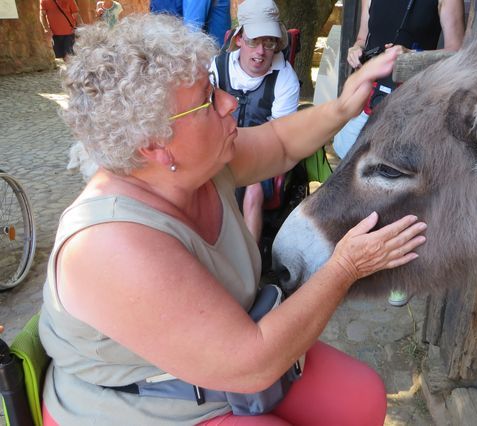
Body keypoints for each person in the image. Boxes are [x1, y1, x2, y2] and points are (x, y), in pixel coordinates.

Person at [39, 14, 427, 425]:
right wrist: (346, 266)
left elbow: (278, 142)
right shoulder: (110, 245)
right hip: (144, 400)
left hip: (228, 362)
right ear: (156, 146)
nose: (229, 102)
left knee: (361, 396)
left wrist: (345, 106)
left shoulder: (197, 163)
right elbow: (252, 363)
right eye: (207, 99)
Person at [335, 0, 465, 307]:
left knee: (401, 189)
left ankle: (398, 270)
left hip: (410, 103)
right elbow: (362, 39)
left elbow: (458, 54)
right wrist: (355, 49)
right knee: (351, 173)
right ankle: (350, 257)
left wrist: (415, 58)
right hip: (369, 95)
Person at [212, 0, 300, 244]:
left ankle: (250, 267)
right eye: (254, 41)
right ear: (239, 39)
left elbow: (280, 137)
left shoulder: (285, 78)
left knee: (253, 191)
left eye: (269, 42)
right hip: (218, 148)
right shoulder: (217, 68)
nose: (261, 51)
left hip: (263, 152)